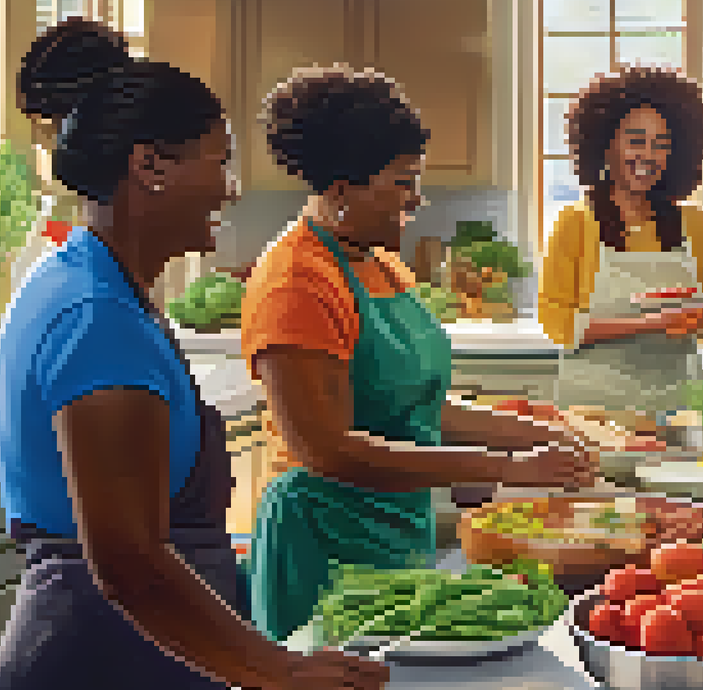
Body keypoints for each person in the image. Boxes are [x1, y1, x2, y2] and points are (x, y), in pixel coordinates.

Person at [0, 19, 386, 690]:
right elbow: (129, 561)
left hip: (133, 663)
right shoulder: (96, 315)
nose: (230, 190)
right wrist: (283, 672)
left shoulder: (98, 285)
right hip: (94, 682)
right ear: (150, 166)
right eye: (218, 161)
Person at [243, 65, 595, 643]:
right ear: (341, 190)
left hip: (397, 525)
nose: (417, 198)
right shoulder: (297, 283)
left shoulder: (380, 263)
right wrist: (506, 467)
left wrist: (537, 435)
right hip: (323, 538)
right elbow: (325, 449)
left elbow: (419, 406)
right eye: (402, 182)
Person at [539, 65, 703, 414]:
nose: (648, 156)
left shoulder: (697, 224)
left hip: (675, 405)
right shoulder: (576, 222)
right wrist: (650, 324)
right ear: (606, 145)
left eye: (661, 145)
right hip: (593, 406)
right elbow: (556, 322)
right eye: (636, 141)